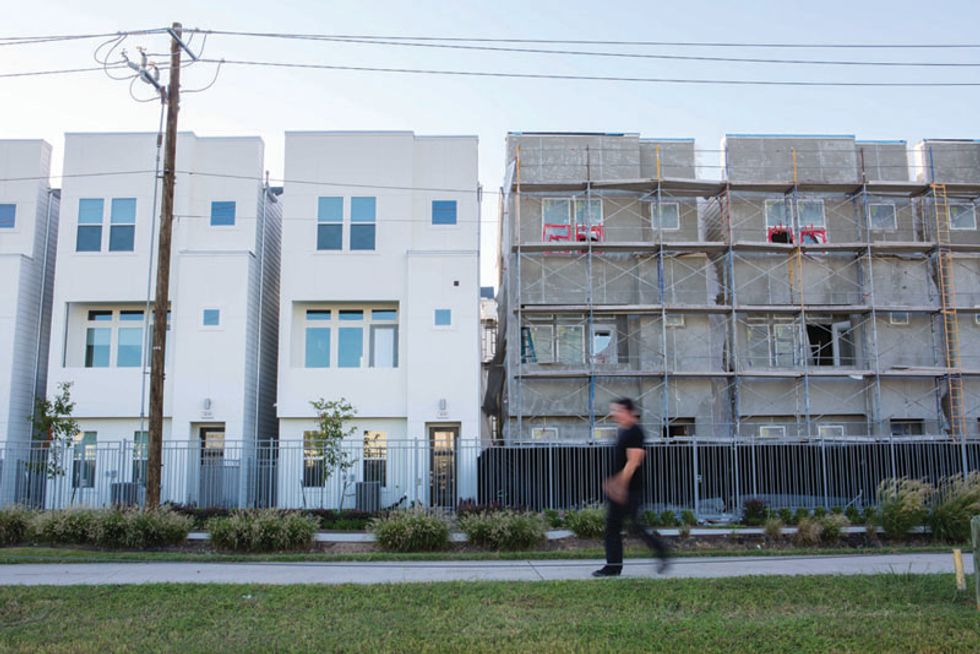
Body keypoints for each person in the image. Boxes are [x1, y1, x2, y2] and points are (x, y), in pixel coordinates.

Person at [593, 398, 671, 577]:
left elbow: (633, 462)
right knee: (627, 527)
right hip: (625, 490)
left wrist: (619, 485)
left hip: (629, 490)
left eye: (617, 410)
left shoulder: (635, 432)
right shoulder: (624, 431)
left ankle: (614, 567)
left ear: (628, 411)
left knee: (616, 527)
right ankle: (659, 553)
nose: (614, 414)